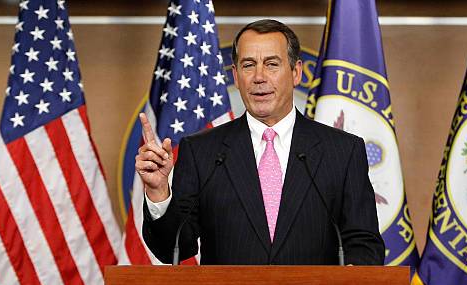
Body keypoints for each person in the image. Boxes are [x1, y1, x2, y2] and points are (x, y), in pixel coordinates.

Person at [135, 19, 385, 265]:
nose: (259, 77)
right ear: (235, 75)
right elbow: (174, 249)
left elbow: (363, 244)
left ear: (296, 72)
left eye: (272, 64)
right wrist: (159, 192)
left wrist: (351, 280)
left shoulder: (342, 151)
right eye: (248, 65)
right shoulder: (201, 152)